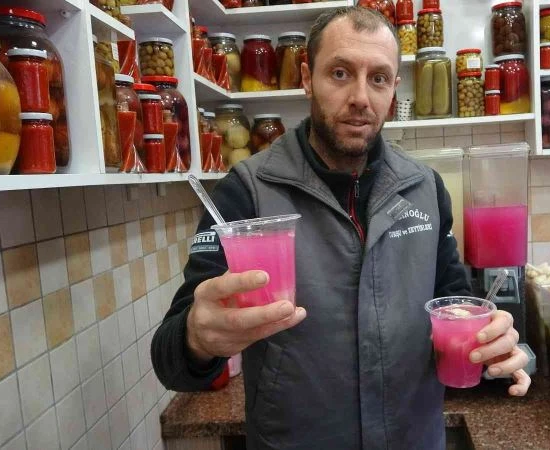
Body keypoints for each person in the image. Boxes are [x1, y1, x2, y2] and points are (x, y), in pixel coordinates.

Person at [152, 6, 530, 450]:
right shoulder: (246, 191)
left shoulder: (425, 189)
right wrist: (197, 337)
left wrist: (492, 340)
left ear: (394, 88)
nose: (360, 97)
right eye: (340, 73)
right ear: (307, 78)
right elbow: (170, 359)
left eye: (378, 78)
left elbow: (456, 304)